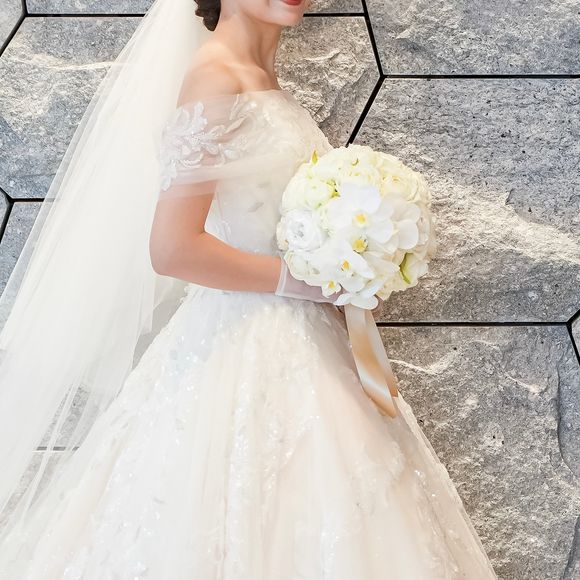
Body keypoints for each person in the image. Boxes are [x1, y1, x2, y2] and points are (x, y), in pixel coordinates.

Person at [0, 0, 499, 577]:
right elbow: (174, 248)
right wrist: (308, 283)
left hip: (307, 335)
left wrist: (361, 263)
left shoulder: (265, 83)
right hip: (245, 339)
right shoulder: (216, 75)